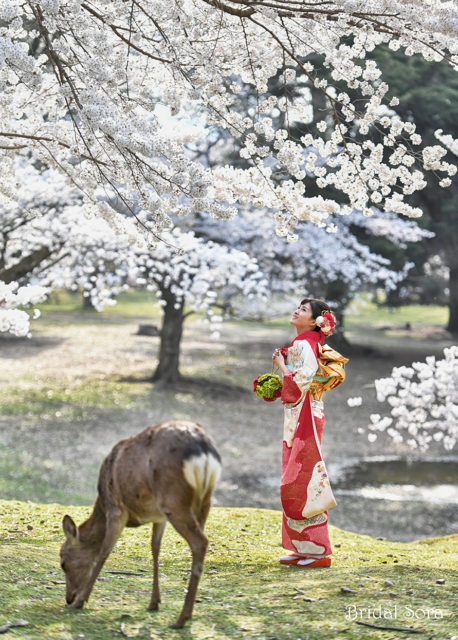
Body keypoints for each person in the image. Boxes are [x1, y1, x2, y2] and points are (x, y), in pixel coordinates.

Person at [272, 297, 347, 568]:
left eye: (303, 310)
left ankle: (317, 551)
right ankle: (304, 547)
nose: (296, 311)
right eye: (298, 307)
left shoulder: (304, 343)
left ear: (315, 322)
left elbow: (302, 380)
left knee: (301, 480)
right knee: (298, 477)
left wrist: (281, 366)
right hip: (304, 412)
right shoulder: (308, 342)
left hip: (304, 413)